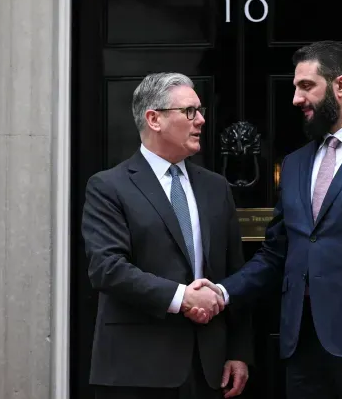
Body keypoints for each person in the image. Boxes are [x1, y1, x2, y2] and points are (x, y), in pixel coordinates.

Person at [189, 41, 342, 398]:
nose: (296, 99)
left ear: (341, 85)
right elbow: (275, 253)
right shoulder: (295, 163)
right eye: (295, 87)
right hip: (301, 346)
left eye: (306, 86)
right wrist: (223, 292)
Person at [81, 72, 252, 399]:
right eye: (189, 111)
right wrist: (182, 297)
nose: (201, 120)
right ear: (154, 119)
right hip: (138, 366)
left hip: (209, 366)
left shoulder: (215, 187)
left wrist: (239, 350)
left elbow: (235, 271)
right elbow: (107, 268)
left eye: (200, 110)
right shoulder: (109, 187)